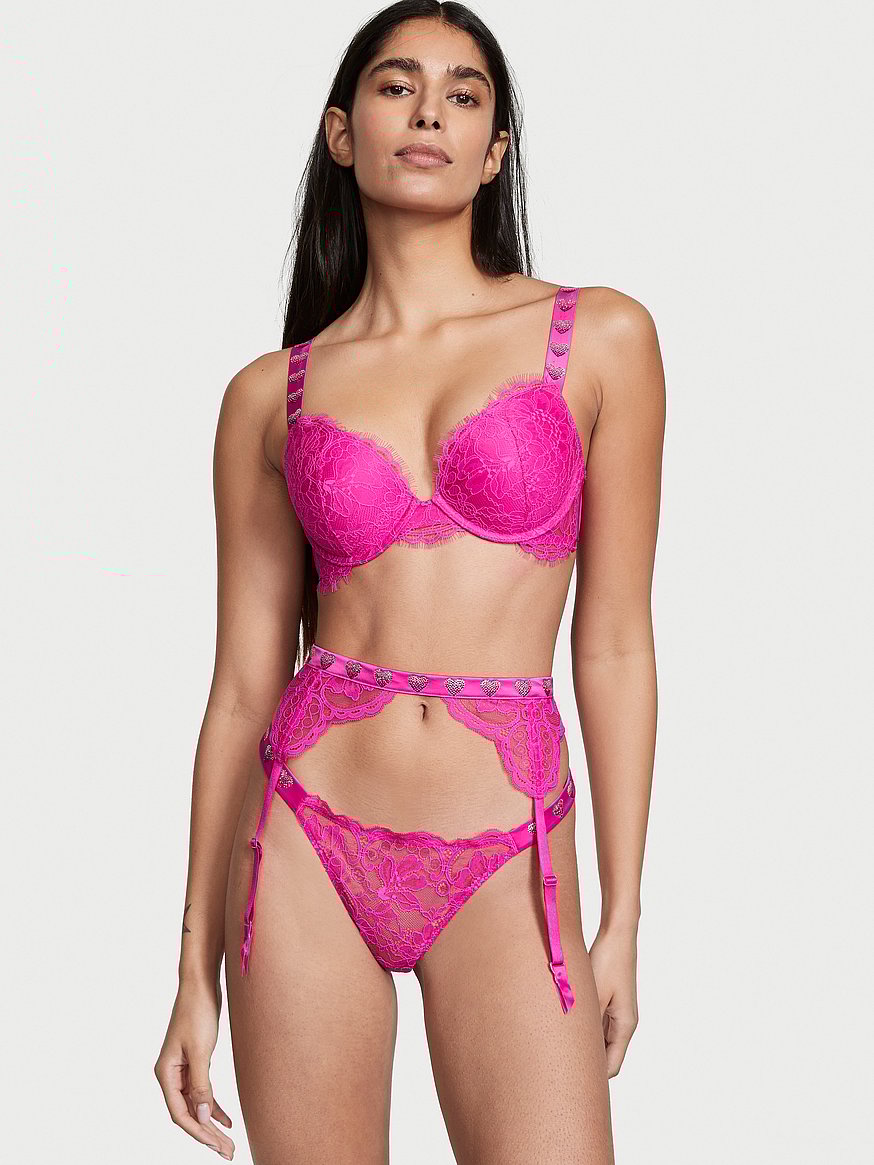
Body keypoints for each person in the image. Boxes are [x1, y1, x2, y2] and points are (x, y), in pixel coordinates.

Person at [154, 3, 665, 1161]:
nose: (429, 110)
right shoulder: (270, 394)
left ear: (493, 153)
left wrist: (623, 915)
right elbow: (240, 688)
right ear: (343, 133)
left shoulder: (600, 338)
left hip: (505, 846)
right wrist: (191, 968)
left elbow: (616, 643)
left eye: (463, 94)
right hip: (303, 838)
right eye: (396, 86)